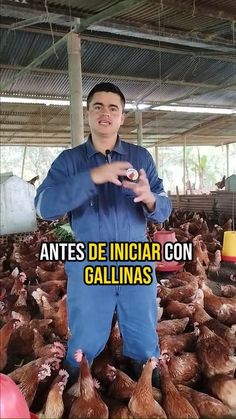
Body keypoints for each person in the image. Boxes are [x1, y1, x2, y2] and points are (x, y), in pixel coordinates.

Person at [35, 82, 172, 386]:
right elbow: (44, 206)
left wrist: (150, 197)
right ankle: (74, 378)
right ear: (88, 114)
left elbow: (164, 209)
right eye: (98, 106)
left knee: (142, 326)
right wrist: (91, 178)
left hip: (134, 257)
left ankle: (145, 368)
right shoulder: (70, 161)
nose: (105, 113)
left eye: (113, 108)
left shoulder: (140, 157)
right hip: (89, 260)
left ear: (122, 117)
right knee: (86, 333)